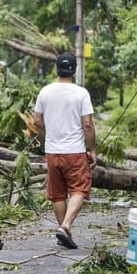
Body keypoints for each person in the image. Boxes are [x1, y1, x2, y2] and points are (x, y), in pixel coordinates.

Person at [33, 52, 97, 249]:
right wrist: (92, 149)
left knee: (58, 194)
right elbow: (87, 123)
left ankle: (64, 232)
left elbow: (36, 120)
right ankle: (66, 226)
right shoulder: (81, 93)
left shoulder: (45, 91)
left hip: (52, 152)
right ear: (74, 70)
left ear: (57, 69)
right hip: (75, 152)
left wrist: (50, 131)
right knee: (80, 188)